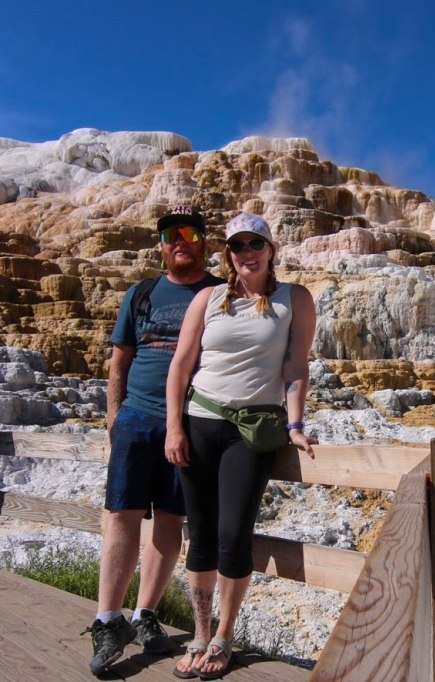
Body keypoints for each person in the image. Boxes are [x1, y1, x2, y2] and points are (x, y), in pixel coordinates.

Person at [166, 211, 316, 679]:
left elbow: (296, 365)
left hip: (251, 430)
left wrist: (295, 424)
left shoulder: (295, 298)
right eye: (237, 245)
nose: (246, 253)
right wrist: (174, 427)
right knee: (201, 533)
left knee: (234, 534)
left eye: (255, 244)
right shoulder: (209, 298)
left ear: (271, 250)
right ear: (227, 254)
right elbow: (181, 365)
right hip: (200, 422)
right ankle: (198, 633)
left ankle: (224, 636)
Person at [88, 205, 224, 676]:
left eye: (189, 232)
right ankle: (108, 619)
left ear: (205, 241)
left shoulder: (220, 293)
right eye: (170, 235)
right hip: (138, 417)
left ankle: (145, 614)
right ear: (161, 246)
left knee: (170, 518)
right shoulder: (141, 292)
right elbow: (119, 360)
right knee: (122, 514)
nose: (180, 240)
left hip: (192, 422)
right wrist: (114, 415)